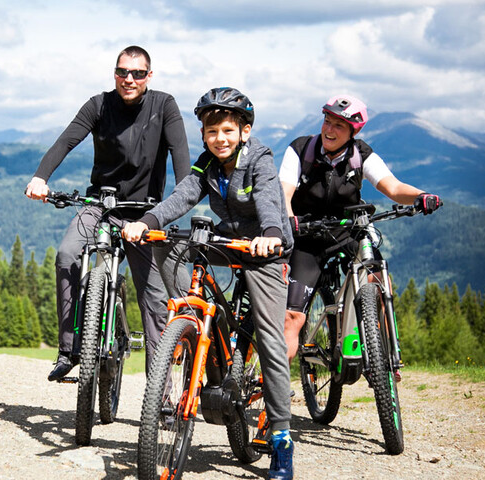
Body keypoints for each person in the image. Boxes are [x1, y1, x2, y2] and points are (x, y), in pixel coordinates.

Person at [122, 87, 295, 480]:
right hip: (227, 241)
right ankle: (190, 318)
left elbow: (269, 198)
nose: (220, 138)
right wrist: (146, 223)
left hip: (265, 248)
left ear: (245, 132)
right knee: (165, 246)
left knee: (269, 338)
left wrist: (269, 232)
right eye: (212, 131)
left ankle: (282, 439)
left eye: (228, 130)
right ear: (203, 134)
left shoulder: (260, 161)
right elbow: (180, 198)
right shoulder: (207, 165)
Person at [25, 45, 191, 381]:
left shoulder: (164, 105)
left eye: (137, 73)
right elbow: (66, 140)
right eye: (122, 72)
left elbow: (181, 159)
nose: (129, 79)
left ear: (149, 76)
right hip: (101, 204)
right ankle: (70, 348)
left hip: (146, 214)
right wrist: (40, 177)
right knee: (67, 254)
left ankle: (158, 389)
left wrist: (177, 202)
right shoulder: (98, 104)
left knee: (154, 299)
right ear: (114, 73)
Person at [280, 94, 443, 363]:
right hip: (306, 235)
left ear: (353, 132)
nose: (329, 130)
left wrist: (420, 196)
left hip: (347, 232)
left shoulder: (361, 155)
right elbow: (284, 192)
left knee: (379, 281)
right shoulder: (300, 149)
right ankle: (277, 390)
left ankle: (385, 356)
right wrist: (289, 219)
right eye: (327, 121)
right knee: (292, 318)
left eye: (338, 126)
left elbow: (393, 187)